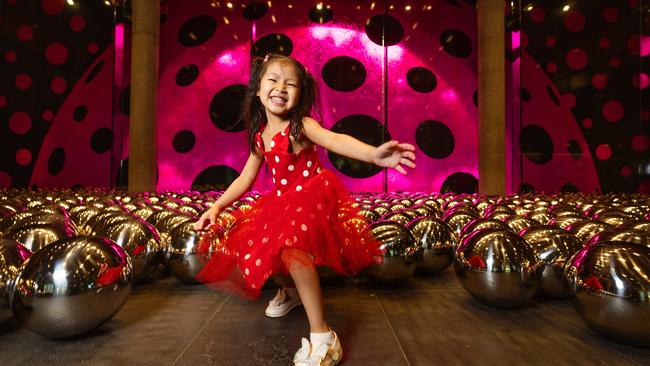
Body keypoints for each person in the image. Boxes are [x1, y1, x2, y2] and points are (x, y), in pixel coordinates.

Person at [193, 53, 416, 365]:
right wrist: (216, 205)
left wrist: (373, 155)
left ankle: (324, 336)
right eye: (273, 79)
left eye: (291, 83)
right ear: (258, 90)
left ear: (301, 94)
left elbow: (334, 139)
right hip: (282, 201)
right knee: (260, 251)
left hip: (312, 195)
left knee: (292, 250)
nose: (281, 87)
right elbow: (245, 177)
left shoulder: (300, 126)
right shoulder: (260, 137)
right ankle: (293, 292)